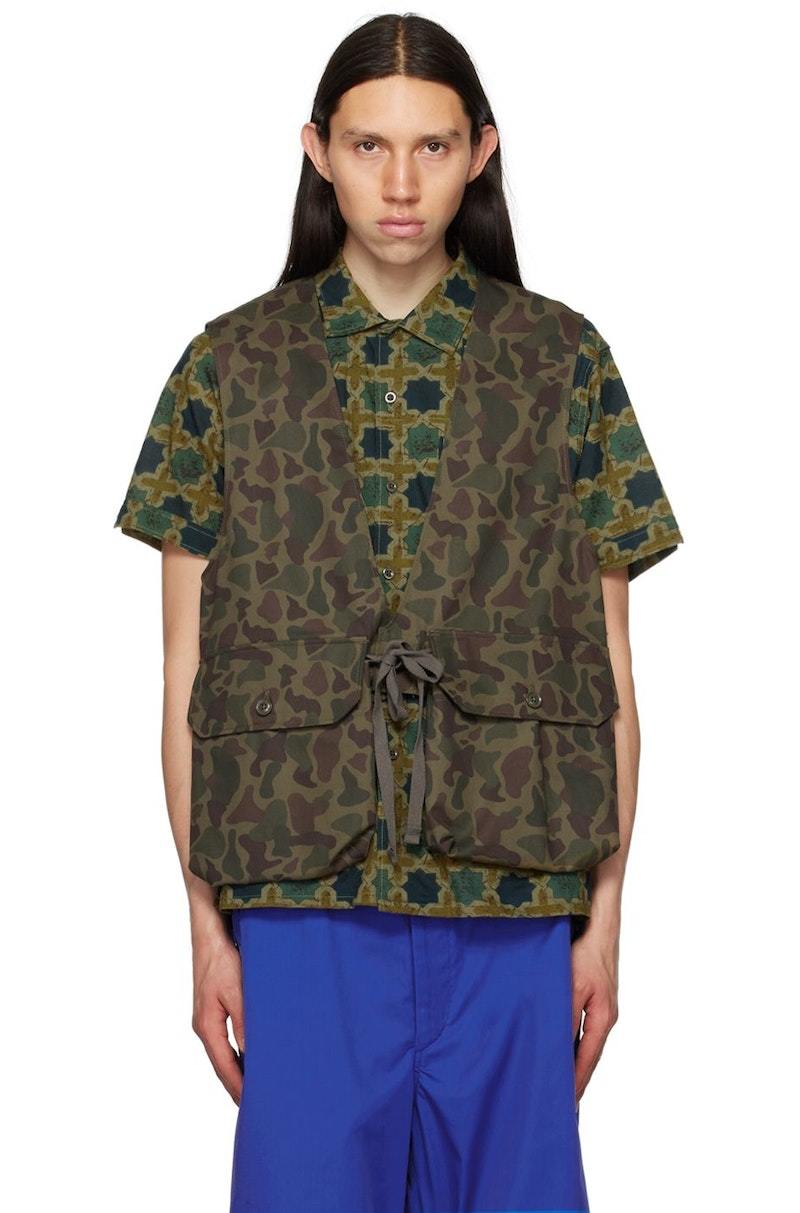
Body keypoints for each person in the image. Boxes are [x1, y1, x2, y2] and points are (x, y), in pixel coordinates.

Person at [113, 13, 684, 1213]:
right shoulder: (226, 367)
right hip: (299, 899)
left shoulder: (563, 362)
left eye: (432, 146)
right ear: (316, 151)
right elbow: (184, 674)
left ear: (481, 152)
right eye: (368, 146)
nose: (401, 183)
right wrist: (204, 924)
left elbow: (610, 672)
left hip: (514, 894)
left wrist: (603, 918)